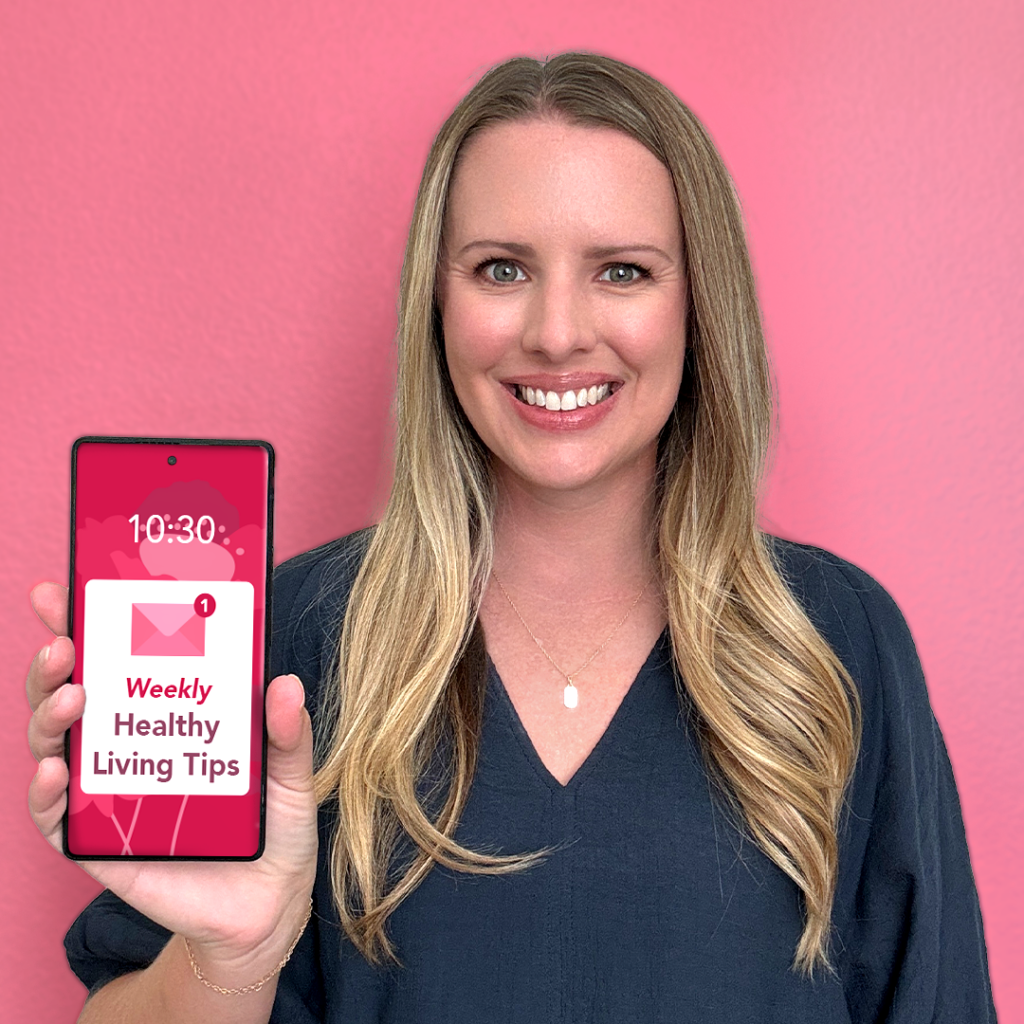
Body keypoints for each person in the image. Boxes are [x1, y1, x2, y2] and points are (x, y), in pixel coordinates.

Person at [26, 52, 996, 1022]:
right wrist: (228, 958)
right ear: (436, 302)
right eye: (501, 269)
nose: (557, 330)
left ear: (698, 305)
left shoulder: (835, 641)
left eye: (622, 270)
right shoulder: (290, 643)